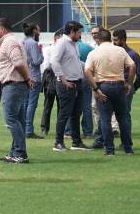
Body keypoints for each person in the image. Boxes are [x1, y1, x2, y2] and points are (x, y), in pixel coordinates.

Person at [84, 28, 136, 156]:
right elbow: (132, 66)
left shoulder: (94, 52)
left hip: (103, 86)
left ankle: (109, 150)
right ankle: (128, 148)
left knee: (105, 118)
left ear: (98, 39)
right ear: (110, 39)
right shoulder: (120, 50)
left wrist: (96, 88)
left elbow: (87, 71)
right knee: (123, 118)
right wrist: (129, 83)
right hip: (118, 85)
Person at [0, 18, 35, 164]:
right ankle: (15, 152)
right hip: (15, 84)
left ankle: (19, 153)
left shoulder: (9, 42)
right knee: (17, 119)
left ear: (2, 29)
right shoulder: (10, 41)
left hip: (14, 84)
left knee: (10, 119)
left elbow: (17, 62)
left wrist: (27, 78)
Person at [49, 22, 90, 152]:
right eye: (79, 32)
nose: (80, 35)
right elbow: (54, 61)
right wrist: (63, 79)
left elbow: (75, 62)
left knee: (76, 113)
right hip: (66, 83)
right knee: (64, 114)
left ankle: (76, 142)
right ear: (72, 31)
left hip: (77, 82)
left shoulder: (74, 44)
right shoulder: (62, 43)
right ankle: (58, 142)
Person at [110, 28, 140, 145]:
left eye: (116, 40)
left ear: (123, 40)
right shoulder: (118, 53)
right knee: (111, 114)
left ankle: (126, 142)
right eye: (112, 40)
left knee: (123, 115)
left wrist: (133, 87)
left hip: (124, 87)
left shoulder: (133, 55)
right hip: (116, 85)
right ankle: (111, 141)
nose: (113, 43)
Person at [21, 23, 44, 139]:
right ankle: (29, 129)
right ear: (34, 31)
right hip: (34, 76)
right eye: (38, 30)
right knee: (31, 104)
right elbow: (36, 61)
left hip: (25, 76)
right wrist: (42, 55)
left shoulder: (23, 42)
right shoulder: (33, 43)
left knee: (25, 103)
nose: (39, 33)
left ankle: (24, 128)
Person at [39, 29, 64, 136]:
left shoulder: (62, 49)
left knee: (60, 104)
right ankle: (44, 128)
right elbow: (47, 64)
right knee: (48, 103)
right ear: (55, 39)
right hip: (50, 76)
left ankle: (60, 128)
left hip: (60, 75)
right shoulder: (48, 49)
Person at [77, 27, 98, 138]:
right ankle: (88, 131)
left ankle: (68, 131)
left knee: (71, 106)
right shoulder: (89, 48)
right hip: (87, 77)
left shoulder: (72, 47)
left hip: (74, 77)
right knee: (87, 106)